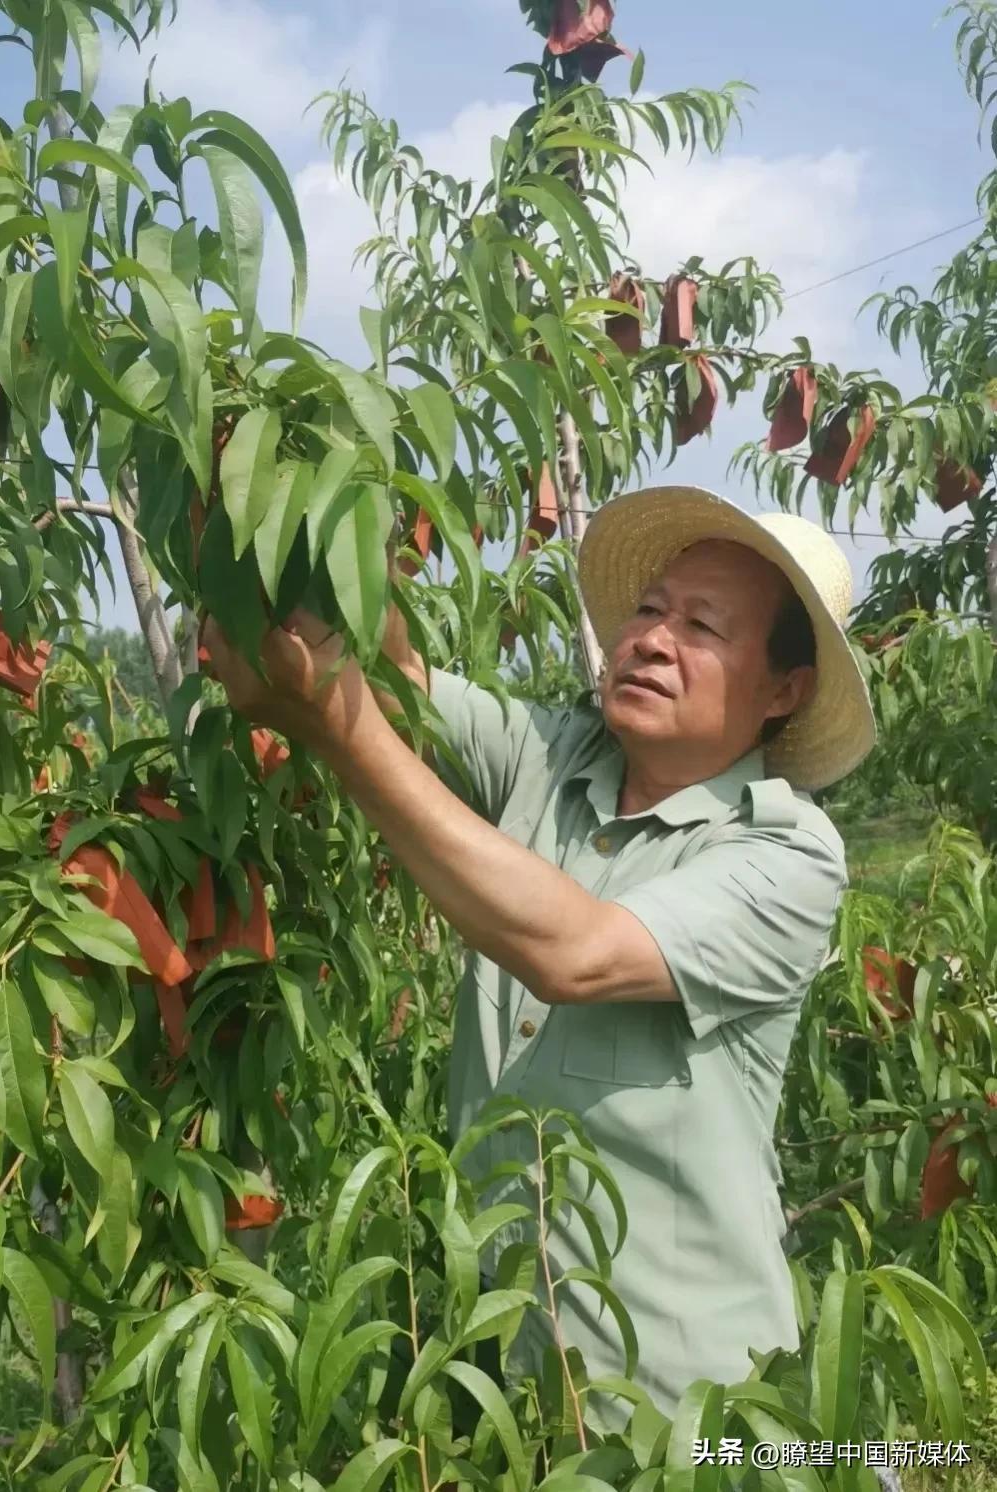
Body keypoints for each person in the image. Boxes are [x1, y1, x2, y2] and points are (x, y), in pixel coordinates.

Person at [201, 483, 876, 1435]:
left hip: (680, 1412)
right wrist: (298, 496)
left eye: (702, 627)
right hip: (503, 1384)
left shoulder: (786, 855)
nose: (650, 638)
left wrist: (331, 720)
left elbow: (575, 951)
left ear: (782, 691)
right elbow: (396, 672)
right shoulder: (552, 755)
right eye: (648, 609)